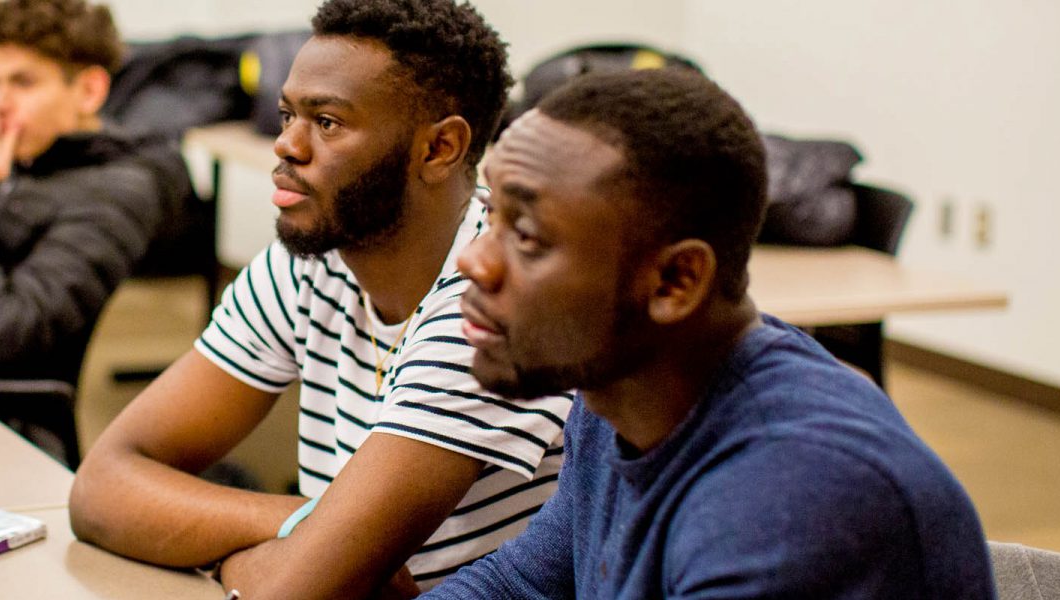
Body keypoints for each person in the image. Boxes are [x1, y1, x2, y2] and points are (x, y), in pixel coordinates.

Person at [422, 70, 996, 599]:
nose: (474, 259)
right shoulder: (617, 396)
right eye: (490, 215)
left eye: (524, 234)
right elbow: (521, 583)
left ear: (676, 280)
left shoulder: (793, 501)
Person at [68, 0, 573, 597]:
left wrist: (273, 555)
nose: (287, 146)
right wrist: (301, 527)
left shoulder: (490, 301)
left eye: (327, 122)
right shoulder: (315, 255)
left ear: (439, 149)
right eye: (286, 116)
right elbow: (102, 486)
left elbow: (299, 592)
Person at [0, 0, 182, 390]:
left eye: (23, 83)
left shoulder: (116, 194)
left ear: (89, 91)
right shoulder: (27, 163)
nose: (1, 103)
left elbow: (2, 338)